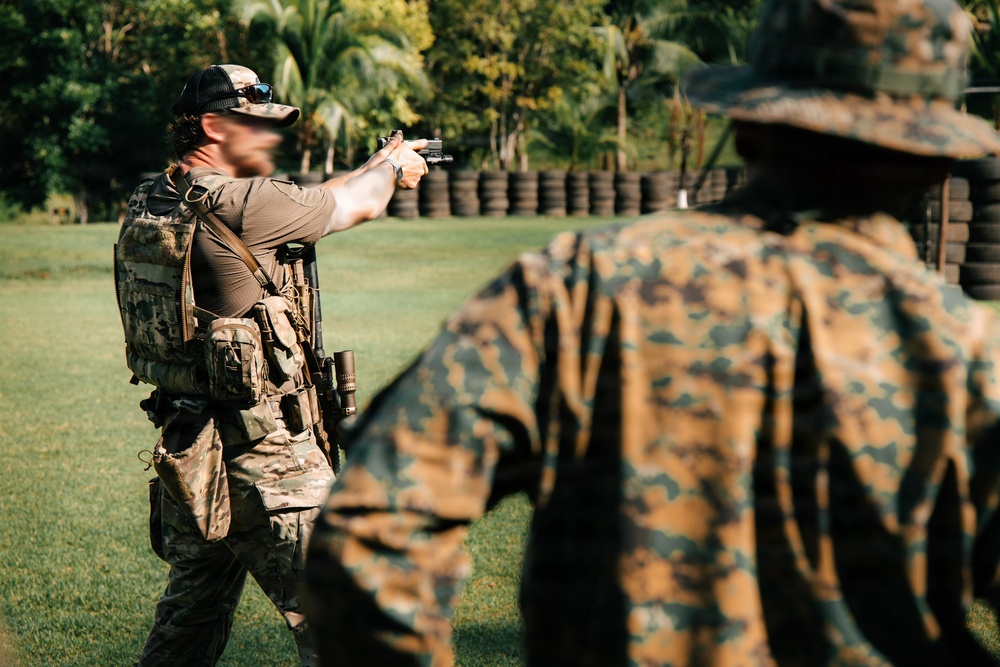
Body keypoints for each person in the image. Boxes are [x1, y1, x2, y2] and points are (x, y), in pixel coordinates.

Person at [301, 1, 1000, 665]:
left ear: (749, 126)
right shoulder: (972, 356)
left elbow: (370, 532)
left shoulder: (579, 287)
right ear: (936, 159)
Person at [114, 63, 428, 667]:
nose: (269, 136)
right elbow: (348, 206)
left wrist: (379, 159)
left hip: (193, 449)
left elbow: (321, 196)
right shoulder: (245, 203)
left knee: (189, 622)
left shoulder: (155, 196)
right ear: (211, 125)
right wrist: (392, 169)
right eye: (253, 123)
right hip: (267, 454)